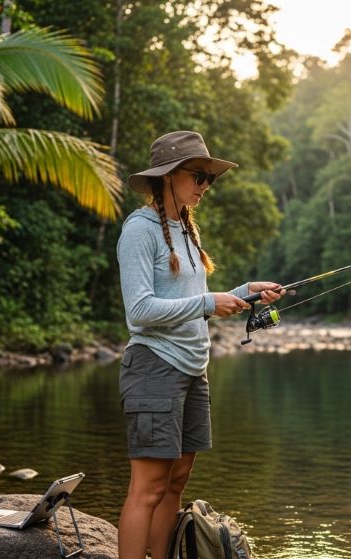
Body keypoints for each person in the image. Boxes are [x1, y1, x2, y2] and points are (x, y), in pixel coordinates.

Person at [116, 131, 282, 558]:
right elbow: (140, 311)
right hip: (154, 366)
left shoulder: (186, 230)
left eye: (210, 177)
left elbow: (185, 297)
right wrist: (210, 302)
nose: (206, 185)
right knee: (148, 487)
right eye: (199, 175)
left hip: (193, 369)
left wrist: (244, 292)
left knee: (177, 479)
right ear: (168, 176)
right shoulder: (139, 230)